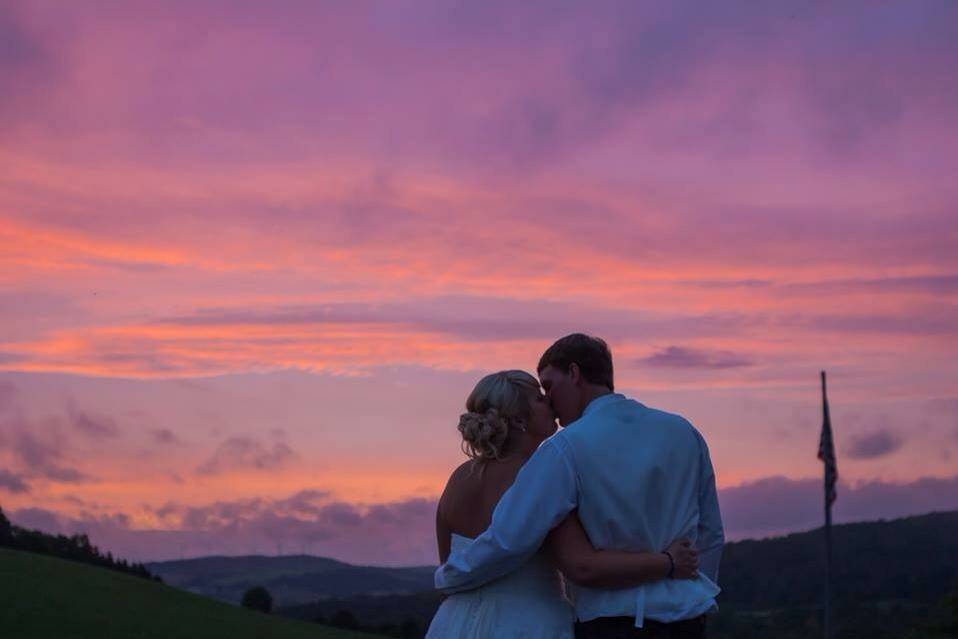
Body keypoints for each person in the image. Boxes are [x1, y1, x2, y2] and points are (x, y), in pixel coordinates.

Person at [435, 334, 725, 638]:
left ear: (574, 374)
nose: (549, 401)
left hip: (608, 622)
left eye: (548, 386)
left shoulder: (564, 449)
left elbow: (509, 539)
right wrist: (694, 590)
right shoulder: (683, 432)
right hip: (688, 620)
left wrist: (448, 578)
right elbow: (710, 532)